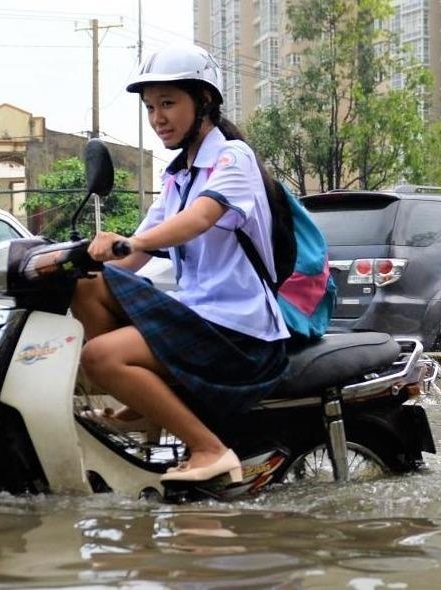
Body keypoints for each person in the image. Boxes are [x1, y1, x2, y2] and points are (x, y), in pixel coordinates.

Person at [71, 44, 290, 484]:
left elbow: (200, 217)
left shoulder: (232, 159)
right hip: (200, 318)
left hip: (240, 331)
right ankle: (148, 406)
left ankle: (209, 448)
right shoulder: (177, 177)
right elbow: (133, 256)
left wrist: (129, 241)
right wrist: (69, 261)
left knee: (100, 357)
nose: (158, 118)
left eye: (168, 103)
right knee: (87, 285)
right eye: (151, 107)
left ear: (204, 101)